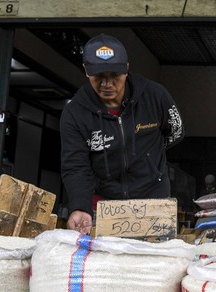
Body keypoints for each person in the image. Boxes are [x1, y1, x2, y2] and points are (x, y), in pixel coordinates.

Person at [60, 33, 184, 234]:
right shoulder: (75, 112)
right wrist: (80, 207)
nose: (107, 84)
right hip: (102, 204)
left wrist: (148, 159)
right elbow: (75, 166)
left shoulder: (155, 96)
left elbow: (175, 132)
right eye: (99, 77)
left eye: (114, 76)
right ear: (86, 70)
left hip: (153, 201)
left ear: (126, 68)